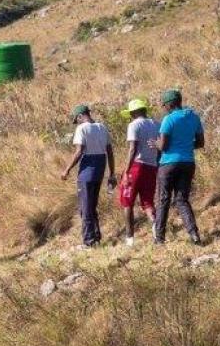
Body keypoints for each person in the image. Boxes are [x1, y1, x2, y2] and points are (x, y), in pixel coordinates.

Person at [61, 104, 116, 247]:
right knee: (92, 206)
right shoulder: (102, 127)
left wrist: (66, 170)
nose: (77, 123)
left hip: (87, 170)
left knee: (85, 208)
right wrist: (111, 172)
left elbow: (79, 151)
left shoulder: (81, 129)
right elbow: (109, 151)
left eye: (76, 119)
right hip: (100, 168)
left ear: (80, 116)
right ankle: (96, 237)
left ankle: (88, 242)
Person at [154, 89, 204, 245]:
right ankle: (194, 234)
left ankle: (159, 238)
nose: (163, 107)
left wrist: (154, 143)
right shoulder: (194, 117)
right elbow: (201, 143)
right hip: (188, 162)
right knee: (182, 200)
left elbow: (163, 146)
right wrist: (185, 146)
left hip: (168, 163)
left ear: (170, 104)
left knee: (163, 200)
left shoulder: (168, 120)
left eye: (164, 105)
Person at [119, 99, 160, 247]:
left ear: (134, 113)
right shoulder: (157, 124)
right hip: (152, 166)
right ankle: (156, 226)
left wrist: (126, 171)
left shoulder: (134, 125)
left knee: (127, 201)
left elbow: (132, 148)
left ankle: (129, 238)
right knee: (148, 201)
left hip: (136, 166)